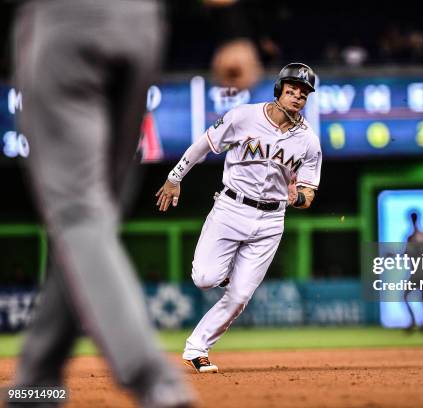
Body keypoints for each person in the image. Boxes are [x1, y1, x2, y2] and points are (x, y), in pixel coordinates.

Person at [10, 0, 261, 405]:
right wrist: (233, 29)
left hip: (63, 20)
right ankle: (35, 383)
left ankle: (155, 382)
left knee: (79, 214)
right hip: (138, 23)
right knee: (91, 220)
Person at [155, 62, 322, 373]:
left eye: (303, 93)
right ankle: (224, 275)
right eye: (292, 90)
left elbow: (308, 193)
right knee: (204, 278)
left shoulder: (309, 142)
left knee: (240, 295)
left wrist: (296, 197)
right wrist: (174, 177)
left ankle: (197, 349)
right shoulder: (243, 116)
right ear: (279, 90)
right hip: (231, 208)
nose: (298, 96)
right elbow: (203, 145)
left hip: (271, 221)